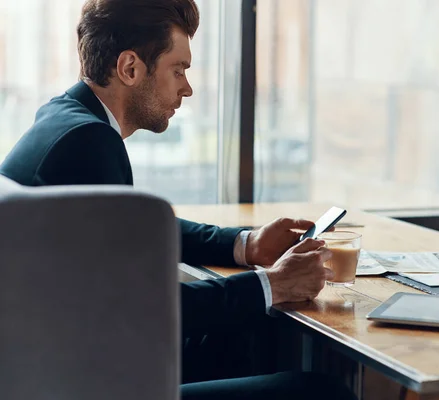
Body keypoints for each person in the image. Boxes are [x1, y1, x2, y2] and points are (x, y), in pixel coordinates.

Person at [0, 0, 356, 399]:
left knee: (242, 330)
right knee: (320, 391)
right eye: (179, 69)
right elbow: (140, 308)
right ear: (130, 68)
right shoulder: (88, 142)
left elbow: (136, 231)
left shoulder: (64, 117)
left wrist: (245, 244)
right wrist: (272, 284)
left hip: (65, 360)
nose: (187, 87)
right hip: (88, 382)